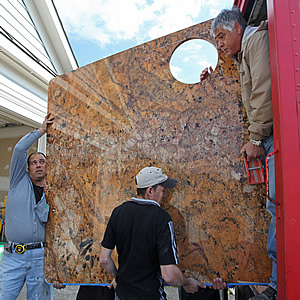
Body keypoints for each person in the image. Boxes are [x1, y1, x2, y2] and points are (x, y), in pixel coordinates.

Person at [201, 6, 276, 300]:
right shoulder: (243, 54)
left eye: (221, 37)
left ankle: (277, 285)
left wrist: (256, 137)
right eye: (216, 39)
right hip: (267, 137)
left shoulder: (255, 41)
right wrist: (214, 81)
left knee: (274, 206)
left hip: (269, 137)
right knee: (272, 206)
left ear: (236, 28)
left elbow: (263, 90)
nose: (219, 44)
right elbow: (243, 93)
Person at [100, 166, 227, 300]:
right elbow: (169, 275)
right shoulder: (161, 218)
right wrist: (187, 282)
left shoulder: (118, 212)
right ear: (150, 191)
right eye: (163, 190)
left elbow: (104, 259)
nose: (165, 195)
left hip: (121, 296)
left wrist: (118, 278)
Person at [0, 113, 64, 299]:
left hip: (40, 257)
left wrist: (48, 196)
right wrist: (42, 130)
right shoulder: (18, 181)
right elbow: (20, 149)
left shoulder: (52, 192)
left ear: (47, 166)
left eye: (42, 162)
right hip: (13, 256)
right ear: (27, 168)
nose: (38, 165)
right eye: (33, 163)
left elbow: (49, 221)